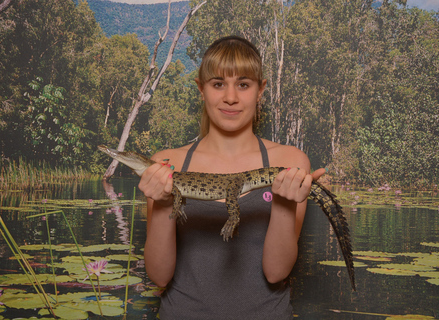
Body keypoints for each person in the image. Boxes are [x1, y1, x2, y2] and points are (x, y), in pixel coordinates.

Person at [139, 35, 326, 319]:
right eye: (218, 84)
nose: (230, 97)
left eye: (243, 84)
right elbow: (159, 276)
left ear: (260, 90)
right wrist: (164, 202)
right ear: (201, 89)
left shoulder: (289, 162)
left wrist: (286, 203)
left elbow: (276, 273)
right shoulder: (169, 163)